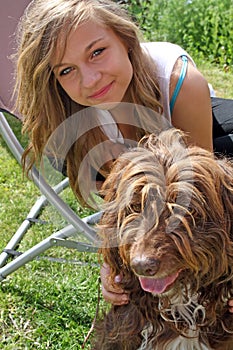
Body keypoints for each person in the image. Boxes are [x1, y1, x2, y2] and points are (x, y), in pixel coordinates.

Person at [13, 0, 233, 311]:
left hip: (202, 144)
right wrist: (114, 255)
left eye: (97, 52)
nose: (90, 80)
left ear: (125, 40)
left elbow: (201, 195)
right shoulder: (70, 117)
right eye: (66, 70)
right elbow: (117, 199)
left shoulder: (179, 81)